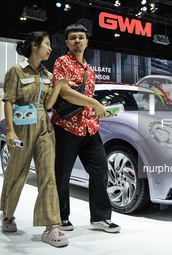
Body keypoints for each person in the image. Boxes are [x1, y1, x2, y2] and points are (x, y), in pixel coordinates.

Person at [0, 31, 70, 247]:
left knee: (48, 175)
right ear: (34, 45)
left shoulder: (48, 76)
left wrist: (58, 86)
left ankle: (51, 226)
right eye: (47, 44)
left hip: (44, 127)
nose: (50, 48)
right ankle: (7, 214)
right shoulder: (16, 71)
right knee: (16, 172)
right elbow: (9, 101)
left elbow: (48, 106)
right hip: (21, 127)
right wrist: (10, 130)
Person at [52, 24, 121, 233]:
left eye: (81, 37)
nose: (77, 41)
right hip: (66, 127)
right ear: (66, 42)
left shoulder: (89, 70)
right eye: (73, 38)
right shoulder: (61, 62)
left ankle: (100, 218)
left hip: (90, 128)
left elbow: (85, 100)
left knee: (100, 171)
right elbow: (64, 92)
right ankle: (61, 217)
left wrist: (101, 109)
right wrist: (94, 103)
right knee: (61, 175)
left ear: (87, 41)